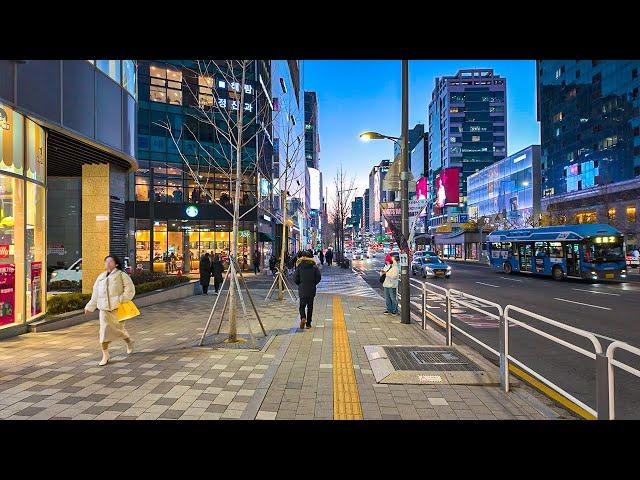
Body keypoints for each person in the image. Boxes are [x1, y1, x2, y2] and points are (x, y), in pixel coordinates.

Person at [84, 255, 136, 366]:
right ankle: (105, 355)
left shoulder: (122, 275)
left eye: (110, 261)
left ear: (116, 264)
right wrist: (90, 307)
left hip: (117, 309)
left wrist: (121, 299)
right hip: (104, 309)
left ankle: (129, 342)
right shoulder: (101, 277)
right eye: (106, 261)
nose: (107, 263)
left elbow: (130, 290)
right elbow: (95, 294)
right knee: (103, 332)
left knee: (119, 330)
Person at [294, 250, 322, 329]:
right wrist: (313, 283)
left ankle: (303, 317)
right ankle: (308, 324)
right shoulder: (314, 266)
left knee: (302, 306)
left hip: (302, 288)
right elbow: (318, 277)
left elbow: (295, 278)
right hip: (311, 289)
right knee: (310, 307)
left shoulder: (299, 266)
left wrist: (300, 283)